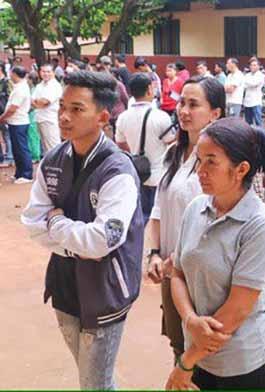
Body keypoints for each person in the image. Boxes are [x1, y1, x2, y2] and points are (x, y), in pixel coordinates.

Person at [21, 70, 143, 389]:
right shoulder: (53, 160)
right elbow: (33, 222)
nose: (63, 116)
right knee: (92, 378)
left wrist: (57, 223)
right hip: (64, 283)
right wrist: (75, 244)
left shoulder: (118, 170)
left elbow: (103, 240)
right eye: (62, 106)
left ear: (103, 117)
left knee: (94, 383)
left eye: (77, 109)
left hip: (105, 288)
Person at [164, 117, 265, 390]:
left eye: (211, 162)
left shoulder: (260, 224)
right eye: (199, 160)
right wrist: (191, 321)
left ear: (241, 169)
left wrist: (185, 364)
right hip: (198, 349)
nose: (200, 171)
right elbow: (177, 272)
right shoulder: (196, 208)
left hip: (241, 359)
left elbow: (238, 309)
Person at [144, 76, 225, 364]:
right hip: (170, 269)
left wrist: (176, 258)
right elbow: (158, 208)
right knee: (179, 345)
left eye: (194, 104)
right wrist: (154, 253)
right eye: (181, 102)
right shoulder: (173, 153)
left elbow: (217, 222)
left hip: (199, 273)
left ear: (215, 113)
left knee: (201, 349)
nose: (183, 110)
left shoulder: (219, 161)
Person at [114, 73, 174, 221]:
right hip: (158, 175)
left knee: (140, 216)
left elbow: (121, 144)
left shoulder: (123, 117)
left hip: (136, 174)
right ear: (149, 89)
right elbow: (170, 141)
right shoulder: (161, 117)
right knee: (157, 218)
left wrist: (135, 151)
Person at [0, 66, 33, 183]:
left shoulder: (21, 89)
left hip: (19, 122)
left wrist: (2, 118)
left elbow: (13, 108)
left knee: (22, 149)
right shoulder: (19, 87)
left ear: (15, 74)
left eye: (11, 73)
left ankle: (27, 174)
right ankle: (19, 173)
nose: (10, 75)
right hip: (15, 122)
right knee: (17, 149)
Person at [31, 63, 63, 155]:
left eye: (48, 71)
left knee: (53, 147)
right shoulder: (39, 85)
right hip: (39, 119)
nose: (45, 74)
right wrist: (38, 103)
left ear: (53, 73)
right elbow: (32, 101)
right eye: (43, 71)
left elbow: (45, 102)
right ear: (40, 72)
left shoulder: (54, 86)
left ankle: (57, 167)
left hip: (50, 120)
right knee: (45, 148)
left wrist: (38, 102)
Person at [243, 58, 265, 127]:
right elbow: (244, 85)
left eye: (255, 65)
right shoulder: (247, 75)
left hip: (256, 102)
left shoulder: (261, 75)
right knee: (248, 122)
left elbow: (254, 83)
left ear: (258, 66)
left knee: (258, 121)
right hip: (247, 102)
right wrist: (249, 83)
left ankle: (261, 136)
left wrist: (248, 82)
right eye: (251, 65)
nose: (253, 67)